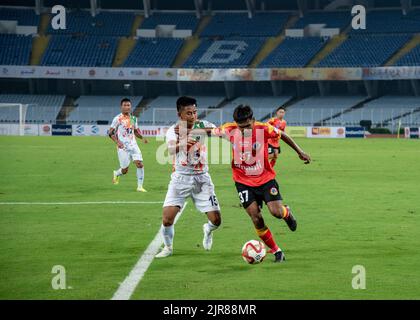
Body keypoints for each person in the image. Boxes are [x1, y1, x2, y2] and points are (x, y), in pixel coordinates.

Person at [189, 104, 310, 262]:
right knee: (256, 217)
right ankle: (276, 251)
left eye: (247, 126)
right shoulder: (229, 129)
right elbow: (210, 131)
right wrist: (192, 130)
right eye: (240, 127)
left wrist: (300, 152)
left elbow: (283, 135)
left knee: (276, 212)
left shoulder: (264, 128)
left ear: (253, 120)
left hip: (265, 178)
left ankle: (286, 212)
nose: (244, 130)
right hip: (242, 181)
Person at [155, 96, 222, 258]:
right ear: (180, 115)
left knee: (216, 221)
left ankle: (208, 230)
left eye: (195, 112)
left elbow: (219, 132)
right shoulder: (174, 130)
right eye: (189, 113)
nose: (193, 116)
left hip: (202, 179)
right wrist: (185, 142)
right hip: (181, 179)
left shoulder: (203, 126)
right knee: (167, 219)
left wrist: (222, 132)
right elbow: (171, 150)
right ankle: (168, 248)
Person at [108, 98, 148, 192]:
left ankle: (140, 187)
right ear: (121, 107)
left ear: (130, 107)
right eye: (125, 105)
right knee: (125, 170)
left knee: (140, 164)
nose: (127, 107)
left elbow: (135, 131)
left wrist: (142, 138)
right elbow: (110, 133)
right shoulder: (117, 119)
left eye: (128, 105)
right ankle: (117, 173)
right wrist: (118, 142)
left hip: (134, 146)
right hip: (123, 148)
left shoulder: (133, 118)